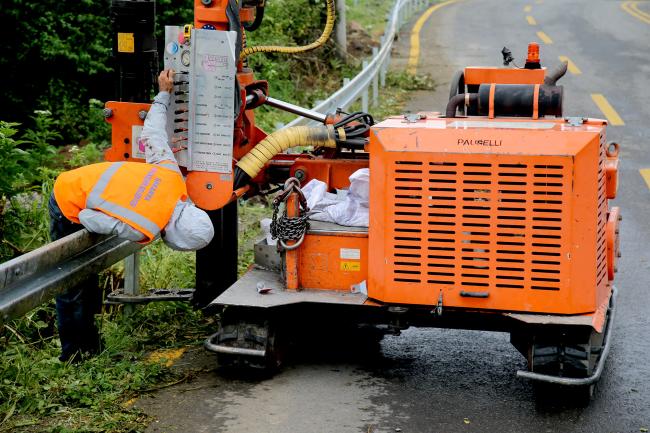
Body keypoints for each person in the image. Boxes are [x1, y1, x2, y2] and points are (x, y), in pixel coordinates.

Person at [49, 69, 214, 362]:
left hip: (79, 178)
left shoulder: (174, 181)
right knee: (73, 282)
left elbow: (152, 134)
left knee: (86, 276)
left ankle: (89, 345)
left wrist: (163, 93)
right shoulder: (144, 230)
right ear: (176, 239)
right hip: (67, 202)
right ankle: (73, 355)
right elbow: (90, 218)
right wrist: (100, 208)